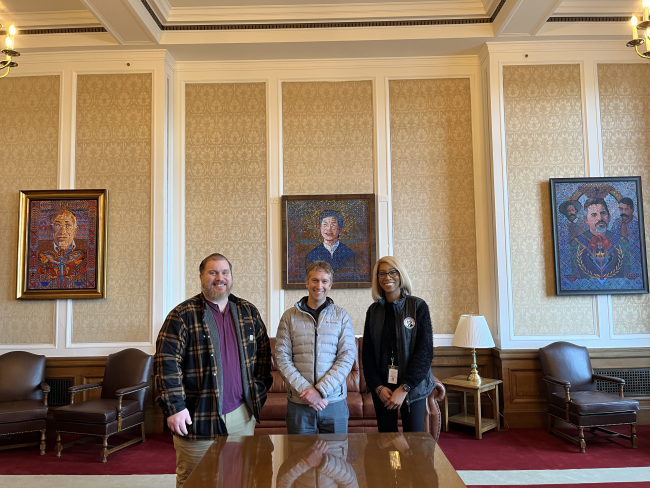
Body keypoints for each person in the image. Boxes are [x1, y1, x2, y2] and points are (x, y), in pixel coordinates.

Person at [154, 253, 273, 488]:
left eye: (225, 272)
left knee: (238, 476)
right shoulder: (182, 315)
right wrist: (175, 407)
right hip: (198, 416)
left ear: (231, 276)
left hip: (241, 415)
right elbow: (166, 362)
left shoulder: (248, 312)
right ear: (201, 277)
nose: (220, 278)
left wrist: (256, 392)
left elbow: (263, 357)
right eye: (213, 272)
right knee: (196, 480)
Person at [275, 260, 356, 435]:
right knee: (300, 459)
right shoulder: (289, 317)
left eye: (324, 281)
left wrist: (320, 391)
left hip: (333, 402)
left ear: (330, 285)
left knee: (336, 460)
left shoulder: (341, 316)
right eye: (315, 280)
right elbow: (282, 358)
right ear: (306, 283)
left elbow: (347, 356)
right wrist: (306, 391)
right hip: (299, 403)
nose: (319, 285)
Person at [362, 255, 434, 433]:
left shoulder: (418, 306)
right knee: (387, 443)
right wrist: (378, 387)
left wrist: (404, 388)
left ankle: (410, 462)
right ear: (377, 278)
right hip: (383, 389)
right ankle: (393, 463)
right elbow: (367, 354)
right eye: (382, 273)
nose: (387, 277)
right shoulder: (373, 311)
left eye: (392, 272)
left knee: (414, 443)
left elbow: (424, 353)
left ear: (401, 275)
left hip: (412, 388)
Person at [570, 198, 630, 281]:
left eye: (603, 213)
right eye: (594, 215)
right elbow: (574, 277)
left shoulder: (622, 242)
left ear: (609, 217)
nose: (600, 218)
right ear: (586, 220)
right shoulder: (576, 243)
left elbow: (627, 275)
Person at [36, 209, 88, 289]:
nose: (62, 231)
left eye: (68, 225)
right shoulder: (39, 251)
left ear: (76, 230)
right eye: (57, 225)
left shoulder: (86, 251)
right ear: (51, 229)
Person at [305, 210, 355, 277]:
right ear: (320, 228)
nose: (329, 229)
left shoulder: (348, 253)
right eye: (325, 224)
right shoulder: (312, 255)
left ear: (340, 230)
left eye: (333, 225)